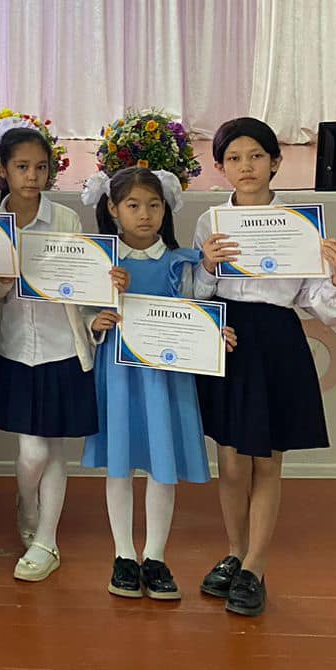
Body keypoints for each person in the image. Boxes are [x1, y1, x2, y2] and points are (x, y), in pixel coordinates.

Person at [193, 117, 336, 618]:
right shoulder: (210, 221)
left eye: (256, 156)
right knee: (231, 461)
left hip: (277, 342)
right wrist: (207, 266)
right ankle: (235, 552)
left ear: (276, 162)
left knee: (267, 461)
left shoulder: (299, 224)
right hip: (227, 339)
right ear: (220, 167)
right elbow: (196, 293)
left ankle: (256, 566)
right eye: (234, 158)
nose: (246, 166)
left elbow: (319, 305)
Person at [83, 168, 236, 602]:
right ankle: (123, 555)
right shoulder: (102, 261)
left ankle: (155, 556)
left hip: (167, 377)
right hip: (119, 374)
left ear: (166, 209)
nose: (145, 214)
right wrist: (96, 323)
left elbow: (196, 306)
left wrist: (212, 332)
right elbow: (84, 312)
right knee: (120, 463)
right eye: (133, 205)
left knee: (160, 464)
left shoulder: (180, 261)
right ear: (113, 209)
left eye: (154, 205)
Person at [0, 126, 99, 584]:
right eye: (21, 167)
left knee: (53, 450)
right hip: (15, 350)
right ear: (3, 169)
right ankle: (28, 508)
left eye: (40, 167)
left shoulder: (66, 220)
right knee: (32, 451)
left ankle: (46, 540)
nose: (32, 176)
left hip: (62, 349)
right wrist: (2, 283)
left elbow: (84, 283)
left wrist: (96, 305)